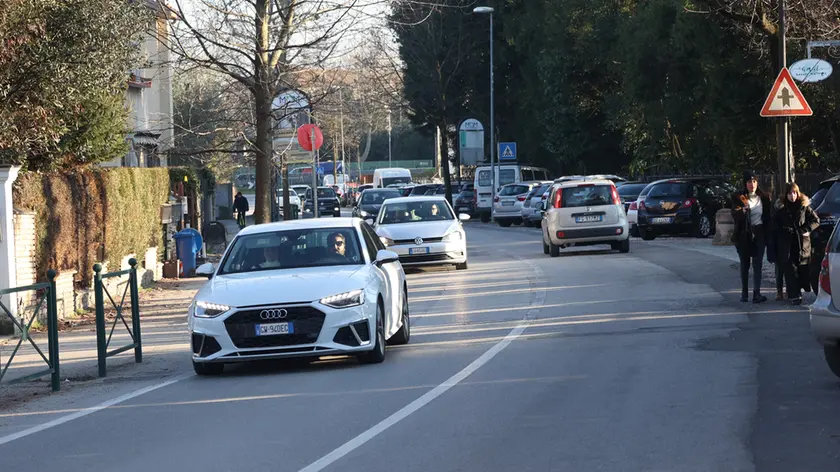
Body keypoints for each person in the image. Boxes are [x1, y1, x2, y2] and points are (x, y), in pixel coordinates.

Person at [773, 182, 819, 305]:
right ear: (786, 195)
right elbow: (775, 227)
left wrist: (806, 230)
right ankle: (794, 296)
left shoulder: (804, 207)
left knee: (804, 270)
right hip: (787, 244)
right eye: (789, 193)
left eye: (794, 193)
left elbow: (816, 220)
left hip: (802, 244)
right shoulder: (781, 209)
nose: (792, 196)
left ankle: (805, 291)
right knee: (790, 271)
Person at [731, 171, 772, 303]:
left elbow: (767, 217)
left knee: (758, 263)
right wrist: (742, 211)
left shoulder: (764, 198)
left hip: (758, 232)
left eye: (754, 181)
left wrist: (768, 235)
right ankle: (744, 294)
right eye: (749, 182)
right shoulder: (739, 197)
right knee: (745, 263)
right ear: (745, 183)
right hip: (744, 233)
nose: (752, 184)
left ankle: (757, 294)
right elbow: (734, 212)